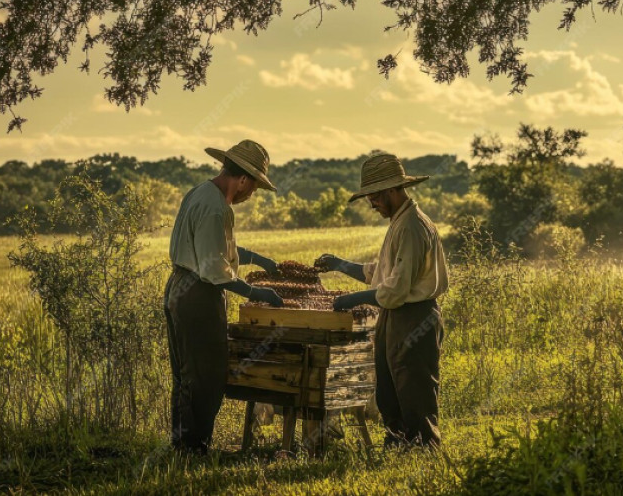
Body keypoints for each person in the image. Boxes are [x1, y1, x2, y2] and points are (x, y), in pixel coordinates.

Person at [316, 153, 449, 448]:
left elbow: (395, 290)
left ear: (392, 190)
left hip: (413, 315)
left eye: (374, 196)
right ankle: (398, 438)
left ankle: (423, 446)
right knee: (390, 385)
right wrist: (340, 264)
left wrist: (350, 299)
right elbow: (383, 274)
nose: (371, 203)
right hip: (395, 315)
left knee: (413, 385)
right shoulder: (399, 222)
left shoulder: (412, 226)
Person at [164, 139, 284, 454]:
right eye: (254, 188)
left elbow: (217, 246)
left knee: (186, 373)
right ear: (242, 179)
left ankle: (182, 443)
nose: (251, 194)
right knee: (205, 374)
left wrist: (257, 258)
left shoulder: (202, 194)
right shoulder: (215, 207)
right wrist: (255, 291)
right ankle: (192, 447)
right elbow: (214, 268)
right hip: (198, 294)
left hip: (180, 286)